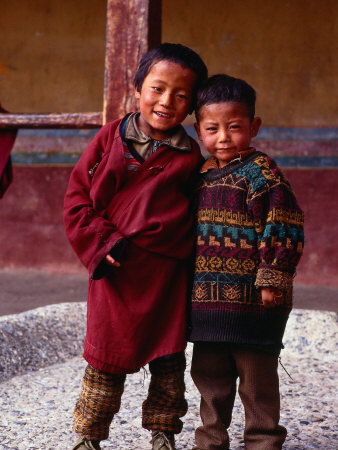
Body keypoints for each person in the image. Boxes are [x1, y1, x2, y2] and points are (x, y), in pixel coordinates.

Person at [64, 43, 207, 450]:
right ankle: (87, 436)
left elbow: (198, 213)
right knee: (104, 362)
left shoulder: (190, 156)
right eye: (157, 89)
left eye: (181, 96)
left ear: (193, 105)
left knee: (168, 362)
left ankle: (163, 434)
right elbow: (77, 198)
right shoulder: (110, 138)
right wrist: (100, 242)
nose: (166, 102)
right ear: (138, 87)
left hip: (165, 275)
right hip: (117, 268)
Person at [188, 74, 304, 450]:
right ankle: (210, 440)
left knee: (256, 382)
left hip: (255, 303)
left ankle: (263, 440)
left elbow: (284, 227)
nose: (223, 137)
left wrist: (272, 278)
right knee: (209, 378)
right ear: (198, 130)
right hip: (207, 304)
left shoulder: (263, 175)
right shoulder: (199, 177)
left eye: (234, 127)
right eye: (212, 128)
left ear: (253, 126)